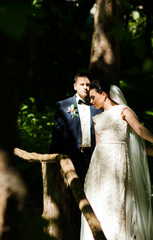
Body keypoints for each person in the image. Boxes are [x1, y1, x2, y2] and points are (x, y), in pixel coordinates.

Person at [80, 80, 153, 240]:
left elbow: (139, 128)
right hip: (99, 165)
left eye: (93, 97)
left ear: (103, 94)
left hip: (118, 160)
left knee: (117, 201)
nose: (91, 101)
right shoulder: (97, 118)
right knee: (98, 201)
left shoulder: (122, 111)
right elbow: (98, 145)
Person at [49, 72, 103, 239]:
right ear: (75, 86)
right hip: (72, 159)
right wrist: (53, 160)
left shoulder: (96, 106)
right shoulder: (64, 105)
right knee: (73, 197)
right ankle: (72, 233)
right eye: (82, 84)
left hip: (92, 158)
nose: (86, 88)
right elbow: (56, 135)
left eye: (88, 85)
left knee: (92, 195)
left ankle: (87, 232)